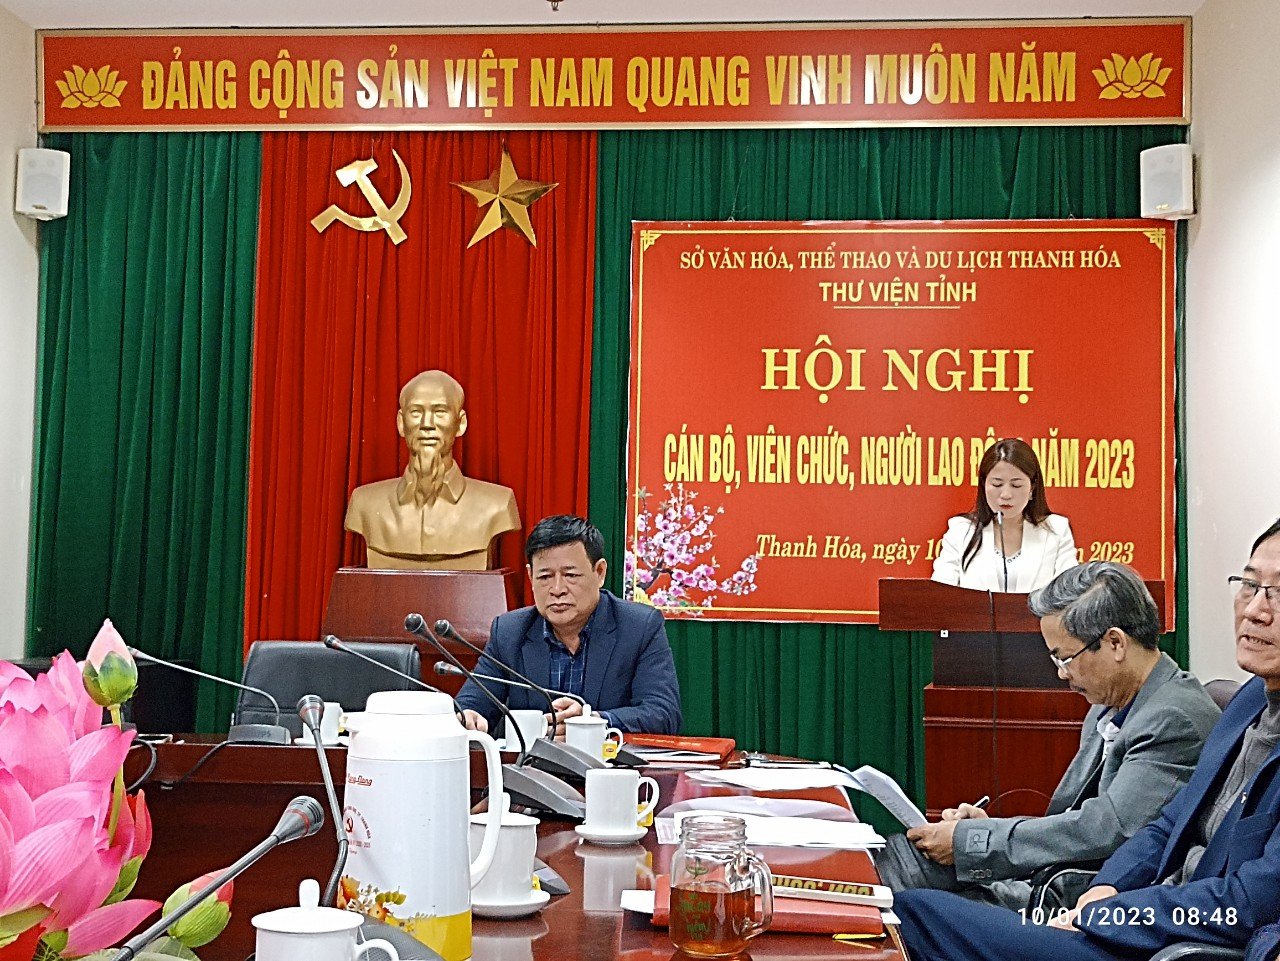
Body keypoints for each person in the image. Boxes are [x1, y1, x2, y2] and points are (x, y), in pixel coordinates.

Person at [895, 519, 1280, 960]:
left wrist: (1110, 915)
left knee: (913, 913)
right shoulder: (1249, 702)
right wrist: (1108, 888)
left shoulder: (1177, 715)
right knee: (903, 873)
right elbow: (1167, 824)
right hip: (1118, 908)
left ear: (1114, 644)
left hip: (1163, 940)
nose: (1255, 610)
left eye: (1278, 593)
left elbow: (1246, 903)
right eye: (1249, 585)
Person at [876, 561, 1219, 911]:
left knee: (908, 885)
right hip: (1053, 878)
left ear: (1115, 643)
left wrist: (976, 842)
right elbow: (1074, 821)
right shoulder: (1108, 705)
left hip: (1089, 903)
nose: (1061, 674)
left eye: (1065, 658)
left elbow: (1107, 830)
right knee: (904, 861)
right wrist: (987, 829)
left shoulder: (1173, 719)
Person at [455, 514, 682, 736]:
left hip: (607, 759)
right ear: (530, 576)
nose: (557, 589)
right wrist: (469, 716)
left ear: (599, 572)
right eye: (545, 577)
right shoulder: (509, 631)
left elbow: (663, 714)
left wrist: (593, 722)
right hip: (532, 760)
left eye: (570, 575)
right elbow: (471, 704)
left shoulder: (639, 627)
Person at [344, 369, 520, 570]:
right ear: (401, 423)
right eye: (416, 412)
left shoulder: (497, 504)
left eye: (440, 412)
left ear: (460, 423)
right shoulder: (364, 503)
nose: (427, 424)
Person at [932, 437, 1078, 592]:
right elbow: (940, 594)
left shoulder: (1056, 530)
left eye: (1016, 485)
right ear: (984, 485)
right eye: (997, 484)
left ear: (1032, 488)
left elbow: (1070, 595)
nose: (1006, 494)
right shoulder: (961, 530)